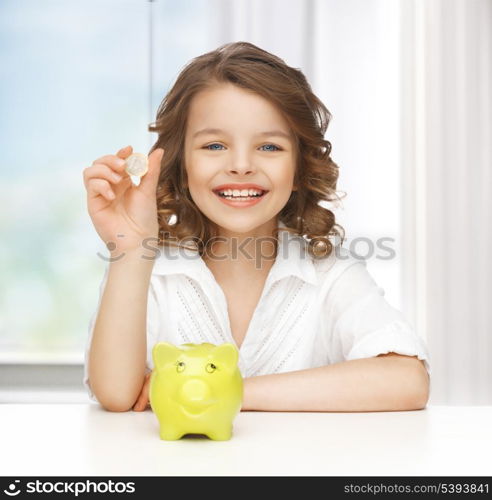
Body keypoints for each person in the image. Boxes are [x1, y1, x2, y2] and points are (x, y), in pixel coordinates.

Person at [82, 41, 430, 413]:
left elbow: (407, 380)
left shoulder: (329, 274)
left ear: (300, 169)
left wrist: (225, 389)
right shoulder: (149, 269)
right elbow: (117, 394)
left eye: (269, 147)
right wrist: (131, 250)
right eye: (214, 145)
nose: (241, 165)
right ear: (181, 165)